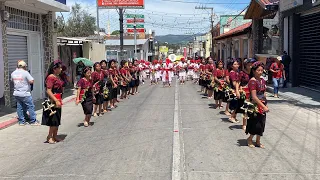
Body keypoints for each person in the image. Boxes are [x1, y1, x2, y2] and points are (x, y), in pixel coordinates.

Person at [246, 61, 269, 148]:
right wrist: (262, 106)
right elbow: (254, 97)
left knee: (262, 123)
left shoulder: (263, 80)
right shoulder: (253, 81)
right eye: (258, 70)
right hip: (255, 105)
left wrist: (266, 104)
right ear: (254, 71)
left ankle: (258, 141)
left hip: (262, 104)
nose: (260, 72)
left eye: (261, 70)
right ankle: (250, 139)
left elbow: (264, 93)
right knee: (255, 123)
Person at [42, 60, 64, 144]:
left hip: (58, 99)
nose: (61, 69)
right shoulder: (51, 77)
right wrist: (56, 100)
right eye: (59, 68)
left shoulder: (57, 76)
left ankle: (55, 136)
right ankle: (49, 136)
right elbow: (48, 90)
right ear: (55, 69)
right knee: (53, 120)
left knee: (57, 119)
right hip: (53, 100)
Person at [11, 60, 38, 126]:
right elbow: (31, 81)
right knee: (30, 106)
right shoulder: (25, 72)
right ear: (24, 66)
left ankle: (21, 121)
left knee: (19, 107)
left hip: (17, 93)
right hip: (25, 93)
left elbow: (12, 81)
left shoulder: (13, 73)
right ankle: (33, 121)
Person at [236, 58, 255, 130]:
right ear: (245, 65)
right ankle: (244, 124)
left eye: (251, 65)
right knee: (245, 108)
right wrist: (237, 91)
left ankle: (251, 123)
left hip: (252, 91)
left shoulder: (253, 72)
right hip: (244, 91)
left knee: (252, 108)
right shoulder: (242, 73)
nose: (250, 66)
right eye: (249, 65)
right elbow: (238, 82)